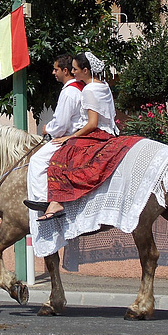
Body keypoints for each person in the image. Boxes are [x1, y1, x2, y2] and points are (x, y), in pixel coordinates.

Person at [39, 51, 141, 219]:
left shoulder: (89, 90)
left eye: (75, 69)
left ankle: (57, 201)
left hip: (98, 133)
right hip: (110, 131)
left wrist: (70, 137)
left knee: (64, 154)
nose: (73, 73)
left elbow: (92, 123)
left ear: (85, 70)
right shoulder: (104, 85)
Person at [24, 54, 84, 216]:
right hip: (78, 134)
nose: (53, 72)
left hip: (70, 136)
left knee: (37, 160)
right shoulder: (80, 88)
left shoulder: (69, 92)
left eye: (55, 69)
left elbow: (61, 124)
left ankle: (45, 200)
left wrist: (47, 129)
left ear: (65, 71)